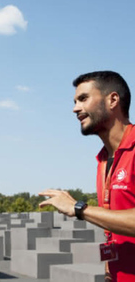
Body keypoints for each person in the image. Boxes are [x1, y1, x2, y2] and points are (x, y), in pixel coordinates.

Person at [39, 71, 135, 281]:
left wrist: (80, 208)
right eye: (75, 101)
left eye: (83, 98)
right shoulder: (102, 160)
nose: (75, 109)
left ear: (112, 100)